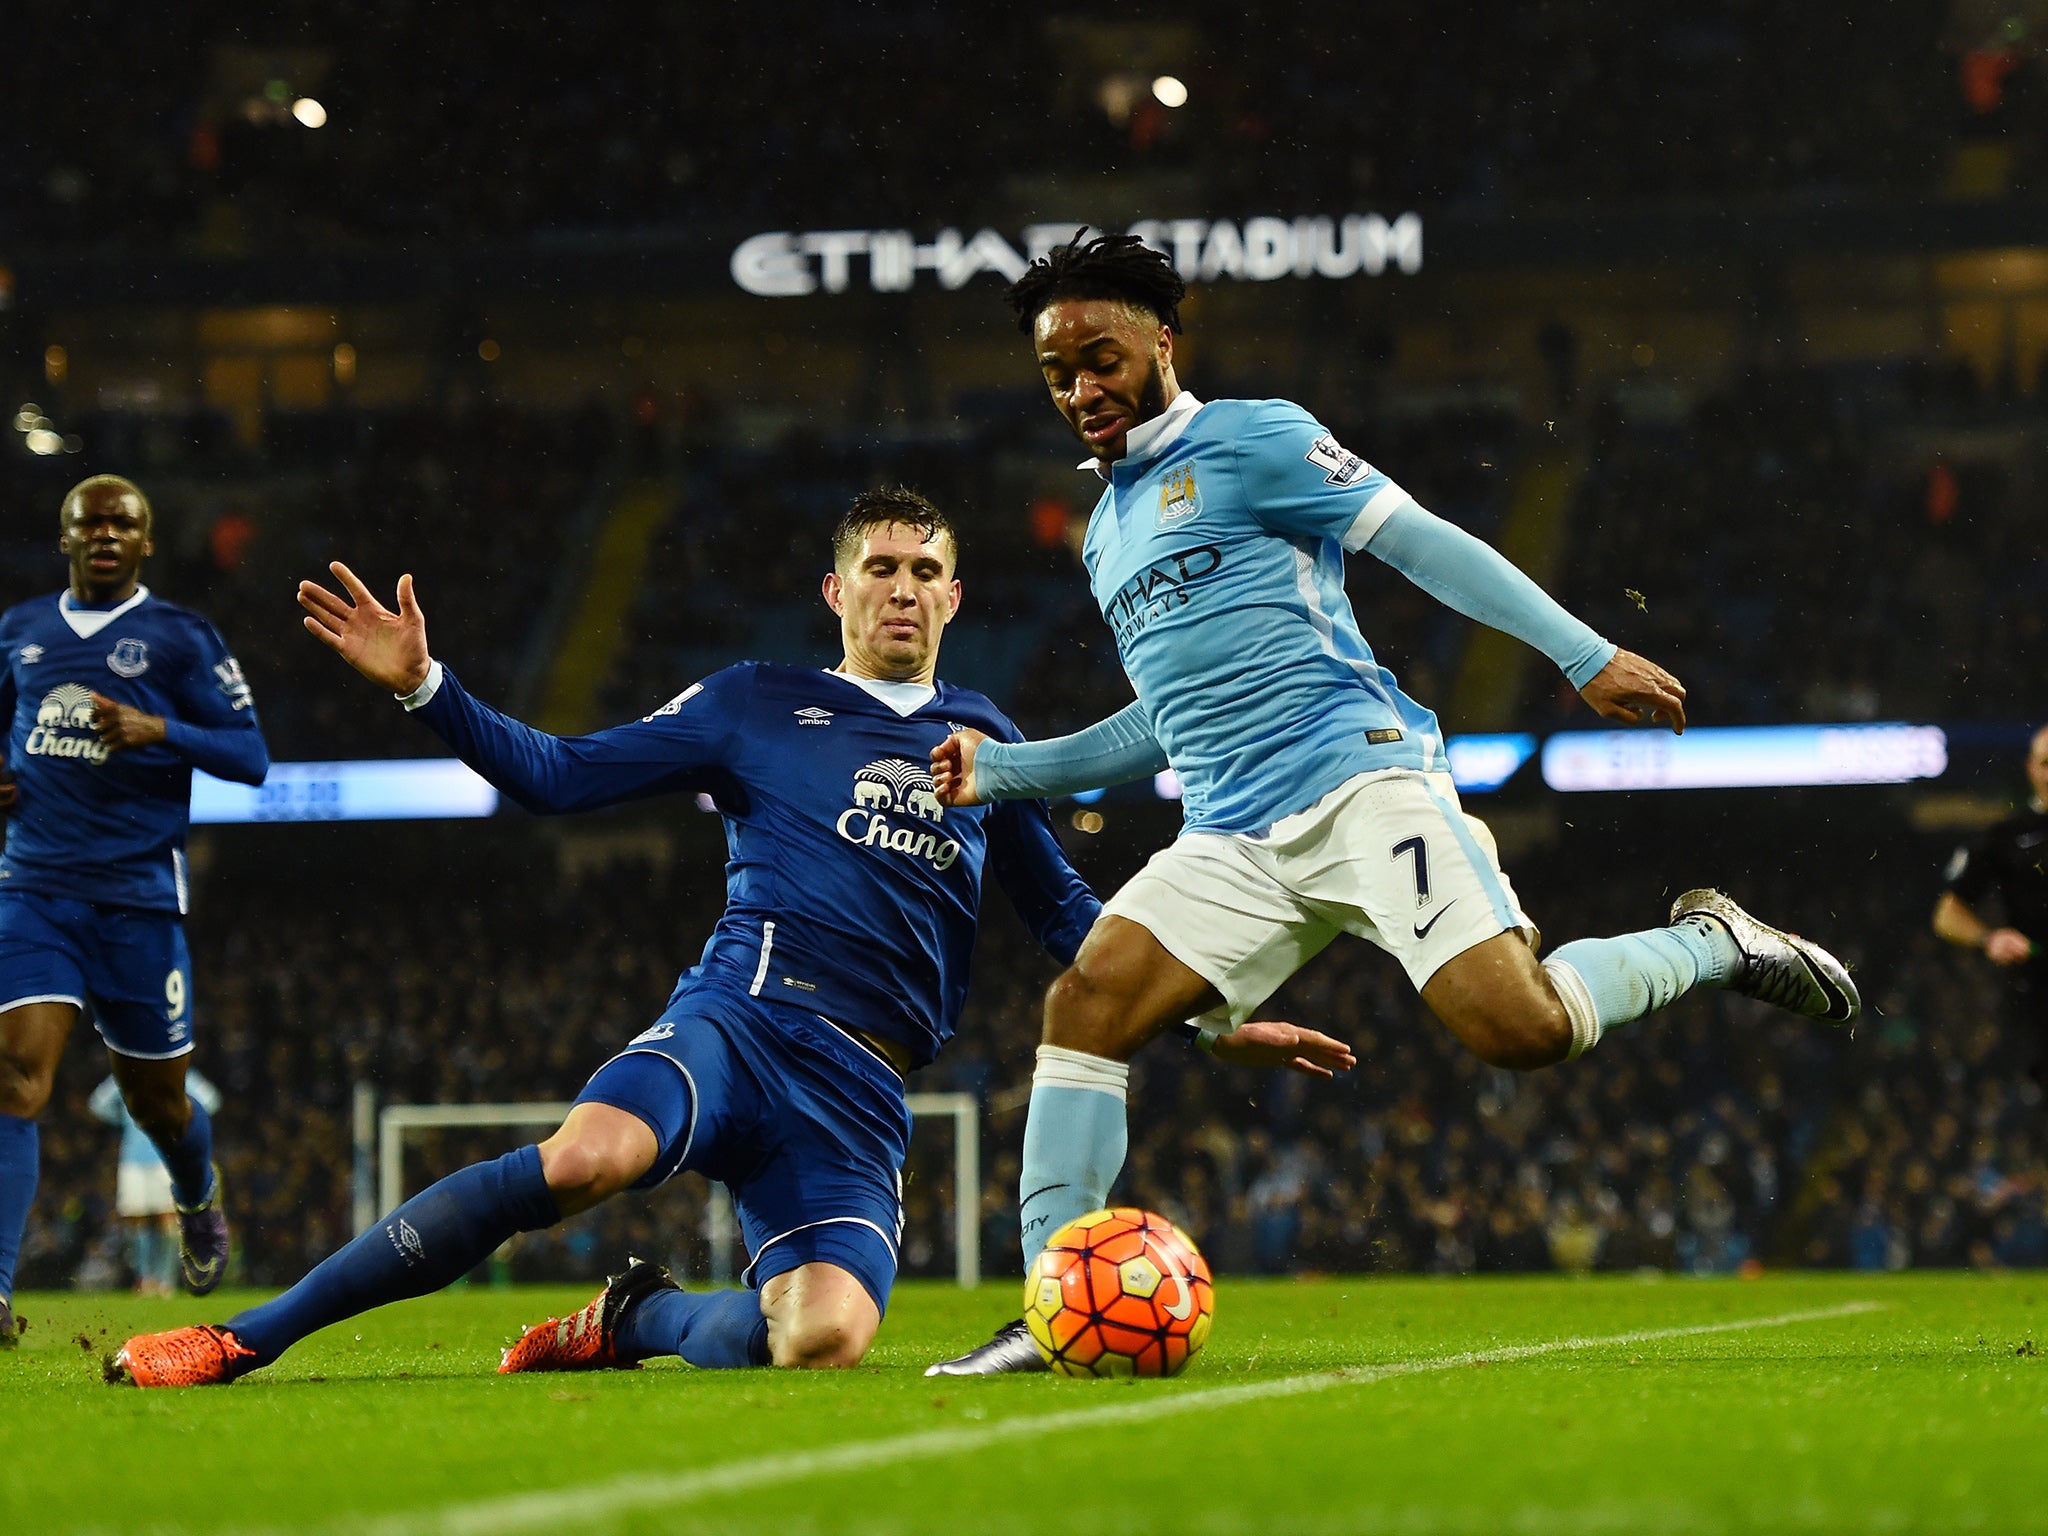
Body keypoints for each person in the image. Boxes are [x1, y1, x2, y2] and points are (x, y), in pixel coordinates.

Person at [112, 488, 1349, 1386]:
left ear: (956, 595)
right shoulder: (752, 701)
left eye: (925, 569)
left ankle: (634, 1321)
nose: (903, 587)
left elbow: (1071, 924)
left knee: (823, 1339)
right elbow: (555, 776)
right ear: (838, 590)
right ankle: (242, 1338)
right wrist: (425, 688)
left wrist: (1208, 1015)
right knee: (585, 1158)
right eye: (880, 567)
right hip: (742, 1017)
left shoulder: (992, 743)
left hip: (863, 1088)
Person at [925, 232, 1860, 1375]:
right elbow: (1161, 723)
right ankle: (1046, 1309)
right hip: (1228, 836)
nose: (1081, 389)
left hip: (1362, 786)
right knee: (1084, 1004)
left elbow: (1422, 543)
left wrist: (1579, 653)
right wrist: (1002, 773)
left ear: (1163, 340)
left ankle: (1711, 942)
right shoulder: (1108, 529)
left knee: (1518, 1031)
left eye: (1100, 356)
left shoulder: (1251, 437)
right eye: (1057, 374)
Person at [0, 476, 268, 1349]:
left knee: (159, 1104)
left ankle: (197, 1199)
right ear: (67, 536)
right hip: (34, 888)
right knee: (15, 1075)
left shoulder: (181, 639)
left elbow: (253, 757)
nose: (106, 534)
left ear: (146, 542)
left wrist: (164, 733)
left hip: (137, 903)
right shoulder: (21, 631)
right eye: (91, 523)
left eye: (123, 523)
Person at [1933, 725, 2048, 1078]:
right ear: (2031, 768)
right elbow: (1947, 914)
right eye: (2047, 763)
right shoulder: (2007, 835)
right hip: (2040, 1001)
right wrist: (1989, 938)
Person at [91, 1069, 223, 1295]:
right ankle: (145, 1279)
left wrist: (183, 1117)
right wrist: (124, 1118)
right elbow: (97, 1103)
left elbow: (211, 1101)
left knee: (167, 1219)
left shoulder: (179, 1074)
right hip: (132, 1160)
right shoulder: (126, 1075)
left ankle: (165, 1281)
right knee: (136, 1220)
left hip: (166, 1158)